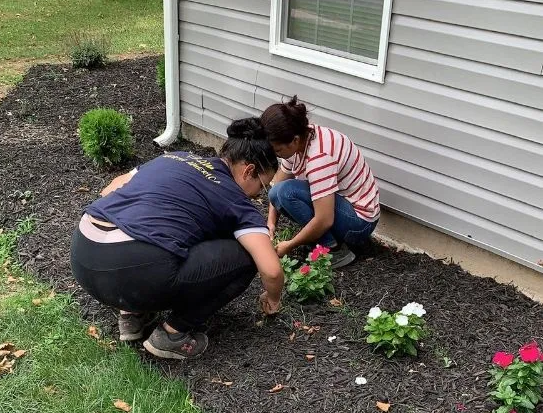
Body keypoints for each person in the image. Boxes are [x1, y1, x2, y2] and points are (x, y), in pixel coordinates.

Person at [70, 118, 283, 360]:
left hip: (83, 253)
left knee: (160, 230)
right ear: (249, 171)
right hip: (128, 274)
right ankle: (171, 335)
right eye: (262, 187)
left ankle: (131, 313)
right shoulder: (236, 200)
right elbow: (272, 270)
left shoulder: (175, 157)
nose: (258, 196)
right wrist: (273, 299)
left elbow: (110, 189)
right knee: (247, 258)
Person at [260, 97, 380, 269]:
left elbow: (324, 220)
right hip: (342, 206)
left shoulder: (320, 158)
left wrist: (291, 244)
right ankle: (326, 240)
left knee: (287, 193)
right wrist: (271, 223)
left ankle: (334, 250)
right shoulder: (301, 137)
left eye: (278, 150)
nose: (276, 155)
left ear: (294, 140)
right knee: (277, 193)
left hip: (360, 222)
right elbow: (278, 183)